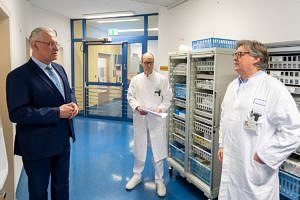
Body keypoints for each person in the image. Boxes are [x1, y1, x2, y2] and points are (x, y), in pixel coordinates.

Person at [217, 40, 300, 199]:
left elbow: (294, 130)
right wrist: (222, 144)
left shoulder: (273, 88)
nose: (235, 57)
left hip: (255, 169)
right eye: (235, 54)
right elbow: (225, 118)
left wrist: (265, 155)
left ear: (256, 58)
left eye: (240, 54)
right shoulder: (233, 86)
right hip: (232, 162)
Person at [6, 27, 79, 200]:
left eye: (56, 43)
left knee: (62, 186)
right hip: (37, 146)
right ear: (34, 45)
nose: (55, 48)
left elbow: (68, 91)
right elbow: (17, 113)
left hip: (62, 141)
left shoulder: (60, 69)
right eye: (50, 43)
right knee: (38, 192)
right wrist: (56, 112)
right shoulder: (18, 76)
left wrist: (74, 103)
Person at [126, 52, 172, 197]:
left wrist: (161, 108)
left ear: (154, 63)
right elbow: (130, 96)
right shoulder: (135, 80)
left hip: (156, 120)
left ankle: (159, 181)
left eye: (151, 62)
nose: (148, 65)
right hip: (140, 119)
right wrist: (138, 107)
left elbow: (168, 98)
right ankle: (137, 176)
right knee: (139, 147)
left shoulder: (162, 80)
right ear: (141, 63)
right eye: (146, 62)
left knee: (158, 151)